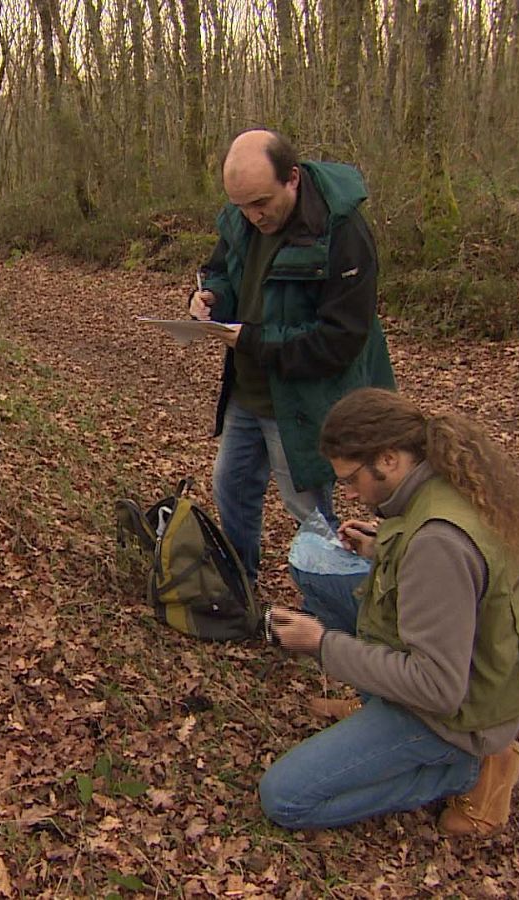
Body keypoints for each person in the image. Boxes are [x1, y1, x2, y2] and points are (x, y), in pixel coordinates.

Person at [260, 388, 519, 838]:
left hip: (462, 716)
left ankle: (468, 771)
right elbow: (458, 585)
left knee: (285, 798)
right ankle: (379, 708)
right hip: (483, 676)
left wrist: (321, 645)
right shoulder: (443, 483)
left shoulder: (437, 543)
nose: (351, 493)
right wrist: (381, 547)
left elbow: (436, 688)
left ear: (390, 458)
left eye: (353, 479)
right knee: (316, 577)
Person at [188, 128, 396, 594]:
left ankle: (340, 613)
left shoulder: (342, 233)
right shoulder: (241, 217)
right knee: (232, 487)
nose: (252, 215)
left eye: (261, 203)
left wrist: (255, 340)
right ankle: (240, 589)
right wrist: (209, 298)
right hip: (248, 392)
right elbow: (221, 270)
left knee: (311, 514)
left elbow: (340, 339)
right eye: (241, 205)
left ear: (293, 179)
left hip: (303, 401)